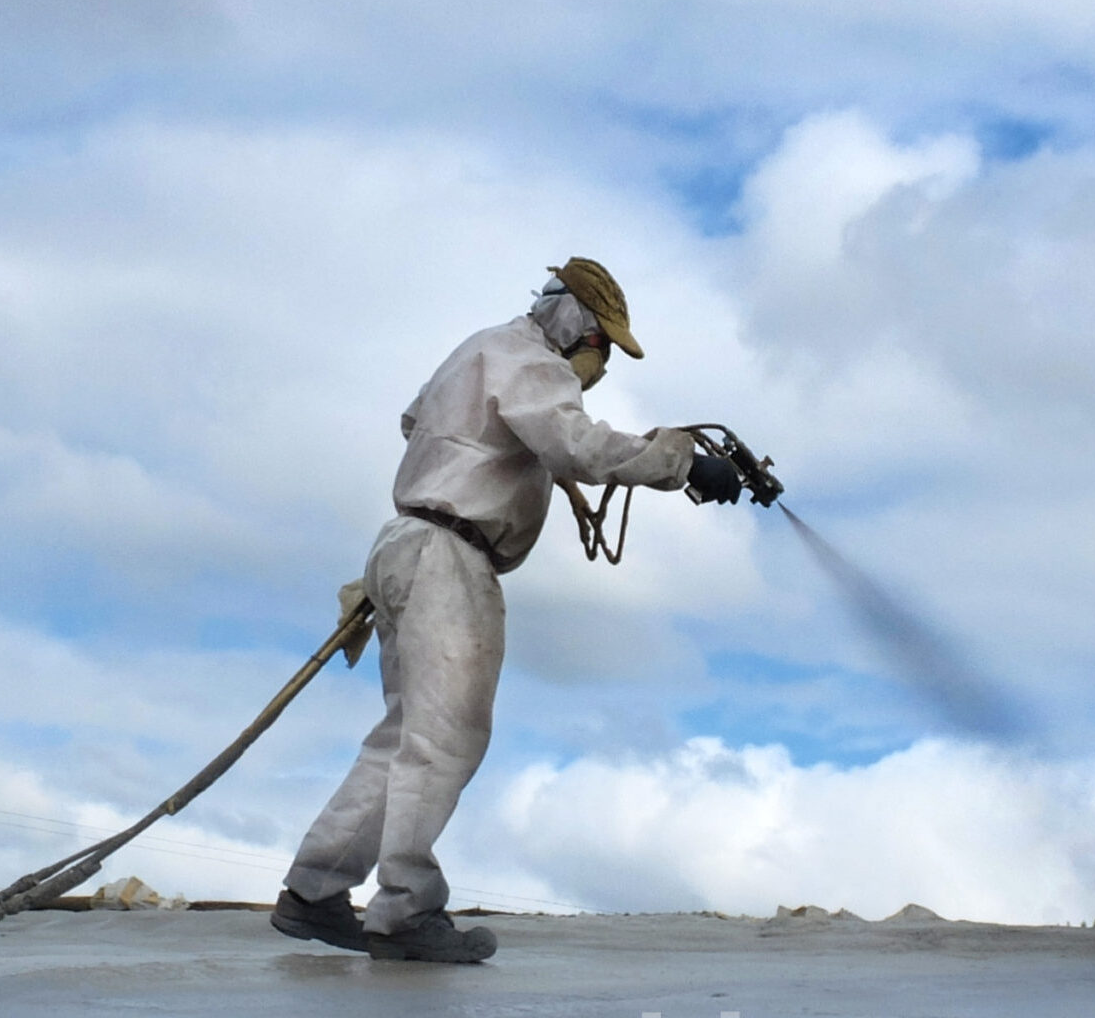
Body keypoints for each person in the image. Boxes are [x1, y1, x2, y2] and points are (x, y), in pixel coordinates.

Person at [272, 258, 743, 963]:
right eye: (600, 346)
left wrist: (526, 464)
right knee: (444, 737)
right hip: (450, 555)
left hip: (406, 541)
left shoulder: (478, 350)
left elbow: (429, 426)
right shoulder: (532, 361)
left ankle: (314, 889)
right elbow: (577, 444)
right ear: (574, 325)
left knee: (405, 735)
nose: (600, 362)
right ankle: (403, 912)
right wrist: (678, 463)